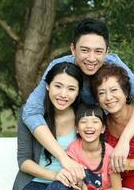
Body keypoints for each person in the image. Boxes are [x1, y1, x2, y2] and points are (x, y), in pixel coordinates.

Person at [22, 18, 134, 179]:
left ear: (107, 52)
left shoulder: (113, 65)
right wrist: (63, 158)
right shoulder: (60, 69)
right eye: (85, 50)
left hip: (103, 141)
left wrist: (124, 140)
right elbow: (30, 111)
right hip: (72, 145)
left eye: (98, 51)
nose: (92, 58)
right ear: (73, 49)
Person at [13, 62, 85, 190]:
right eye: (58, 86)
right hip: (34, 182)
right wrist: (55, 175)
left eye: (71, 89)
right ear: (47, 86)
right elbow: (24, 161)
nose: (63, 94)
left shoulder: (84, 117)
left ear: (78, 91)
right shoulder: (31, 114)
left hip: (69, 183)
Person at [48, 104, 122, 190]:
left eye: (95, 121)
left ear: (103, 129)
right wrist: (80, 185)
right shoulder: (74, 148)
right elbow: (74, 181)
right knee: (57, 185)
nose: (89, 126)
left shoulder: (111, 153)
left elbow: (117, 188)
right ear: (76, 129)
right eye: (83, 121)